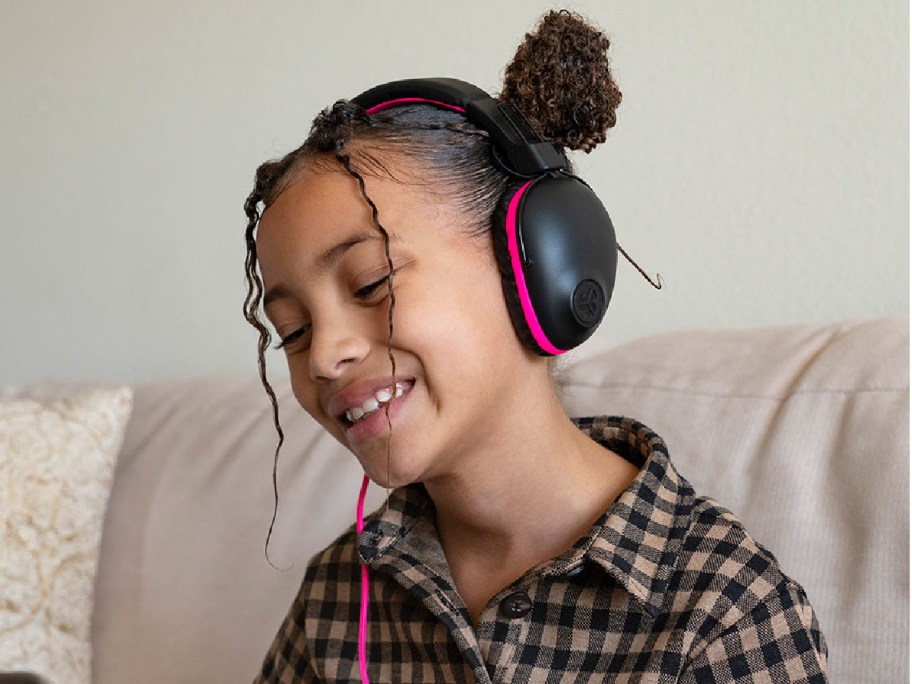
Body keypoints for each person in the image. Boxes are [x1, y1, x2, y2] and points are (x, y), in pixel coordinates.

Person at [242, 10, 828, 683]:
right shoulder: (339, 601)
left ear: (535, 266)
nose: (322, 356)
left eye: (371, 282)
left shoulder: (725, 617)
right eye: (293, 330)